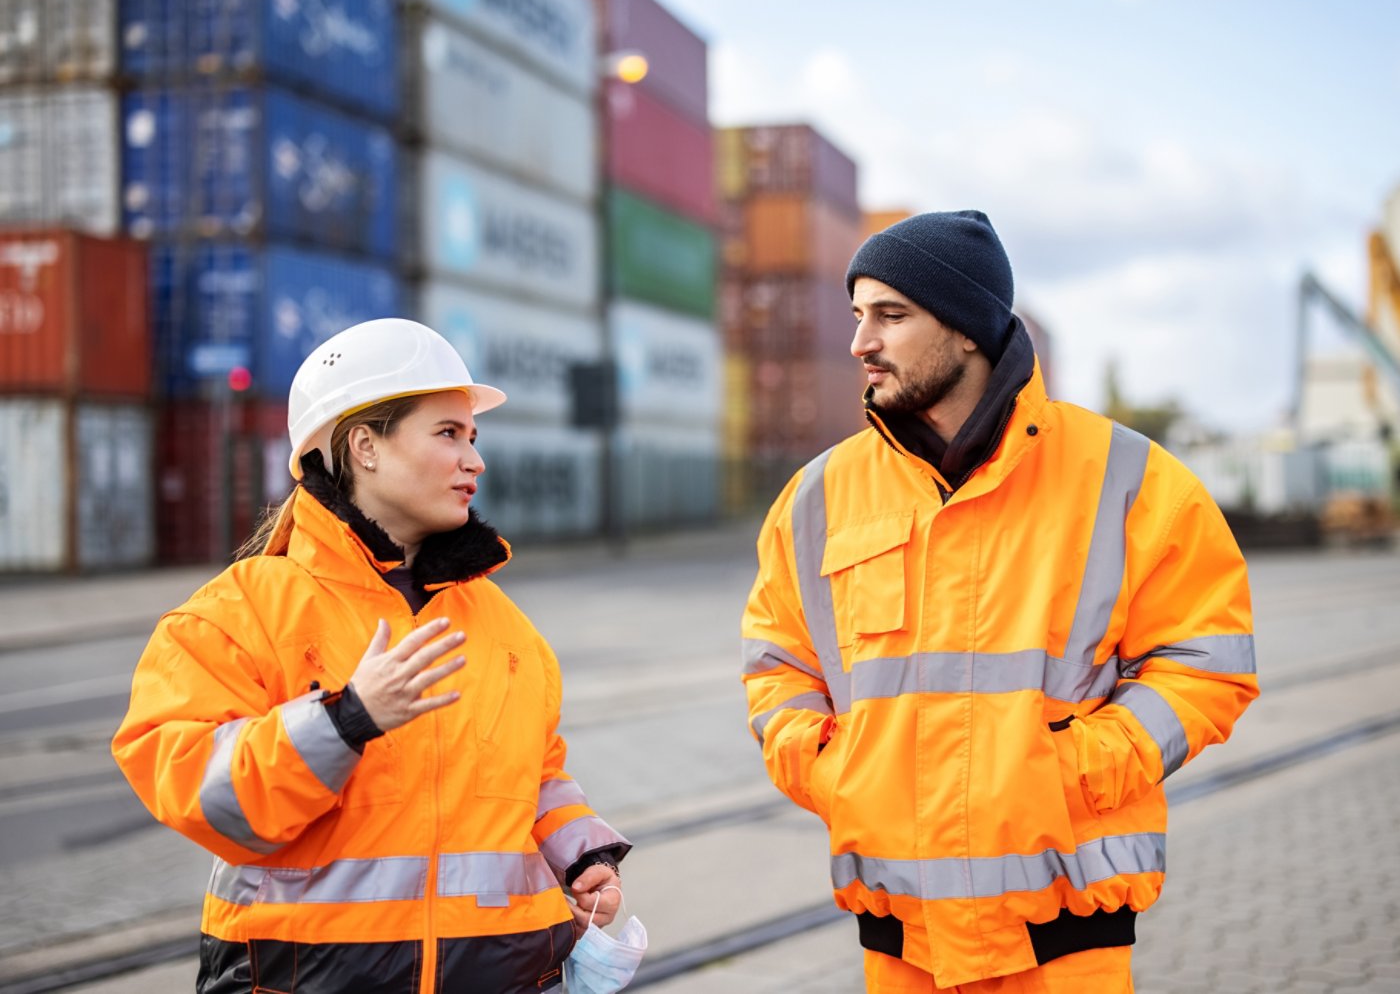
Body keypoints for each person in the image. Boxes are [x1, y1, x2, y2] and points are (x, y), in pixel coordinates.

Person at [740, 211, 1258, 993]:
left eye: (890, 314)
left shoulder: (1128, 479)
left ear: (967, 329)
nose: (860, 342)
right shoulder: (817, 498)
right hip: (900, 939)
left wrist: (1072, 771)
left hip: (1066, 934)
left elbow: (1207, 661)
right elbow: (776, 665)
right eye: (857, 315)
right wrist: (837, 771)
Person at [113, 318, 629, 993]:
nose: (474, 460)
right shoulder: (238, 612)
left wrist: (579, 850)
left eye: (472, 438)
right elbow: (193, 790)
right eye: (448, 434)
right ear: (364, 446)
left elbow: (535, 773)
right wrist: (344, 721)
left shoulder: (506, 629)